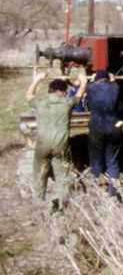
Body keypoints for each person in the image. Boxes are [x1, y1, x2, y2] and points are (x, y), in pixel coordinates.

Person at [26, 72, 87, 211]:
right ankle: (60, 204)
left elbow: (28, 95)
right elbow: (79, 95)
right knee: (62, 174)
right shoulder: (67, 102)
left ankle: (39, 202)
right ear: (62, 91)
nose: (66, 93)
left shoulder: (40, 102)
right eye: (65, 91)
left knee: (40, 172)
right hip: (61, 144)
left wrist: (37, 80)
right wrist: (83, 82)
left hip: (42, 144)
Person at [87, 69, 122, 197]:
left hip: (97, 126)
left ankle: (97, 190)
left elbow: (89, 91)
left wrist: (91, 80)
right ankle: (113, 192)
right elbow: (114, 86)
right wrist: (113, 80)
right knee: (112, 160)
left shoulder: (91, 88)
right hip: (113, 126)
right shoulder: (115, 88)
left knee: (96, 158)